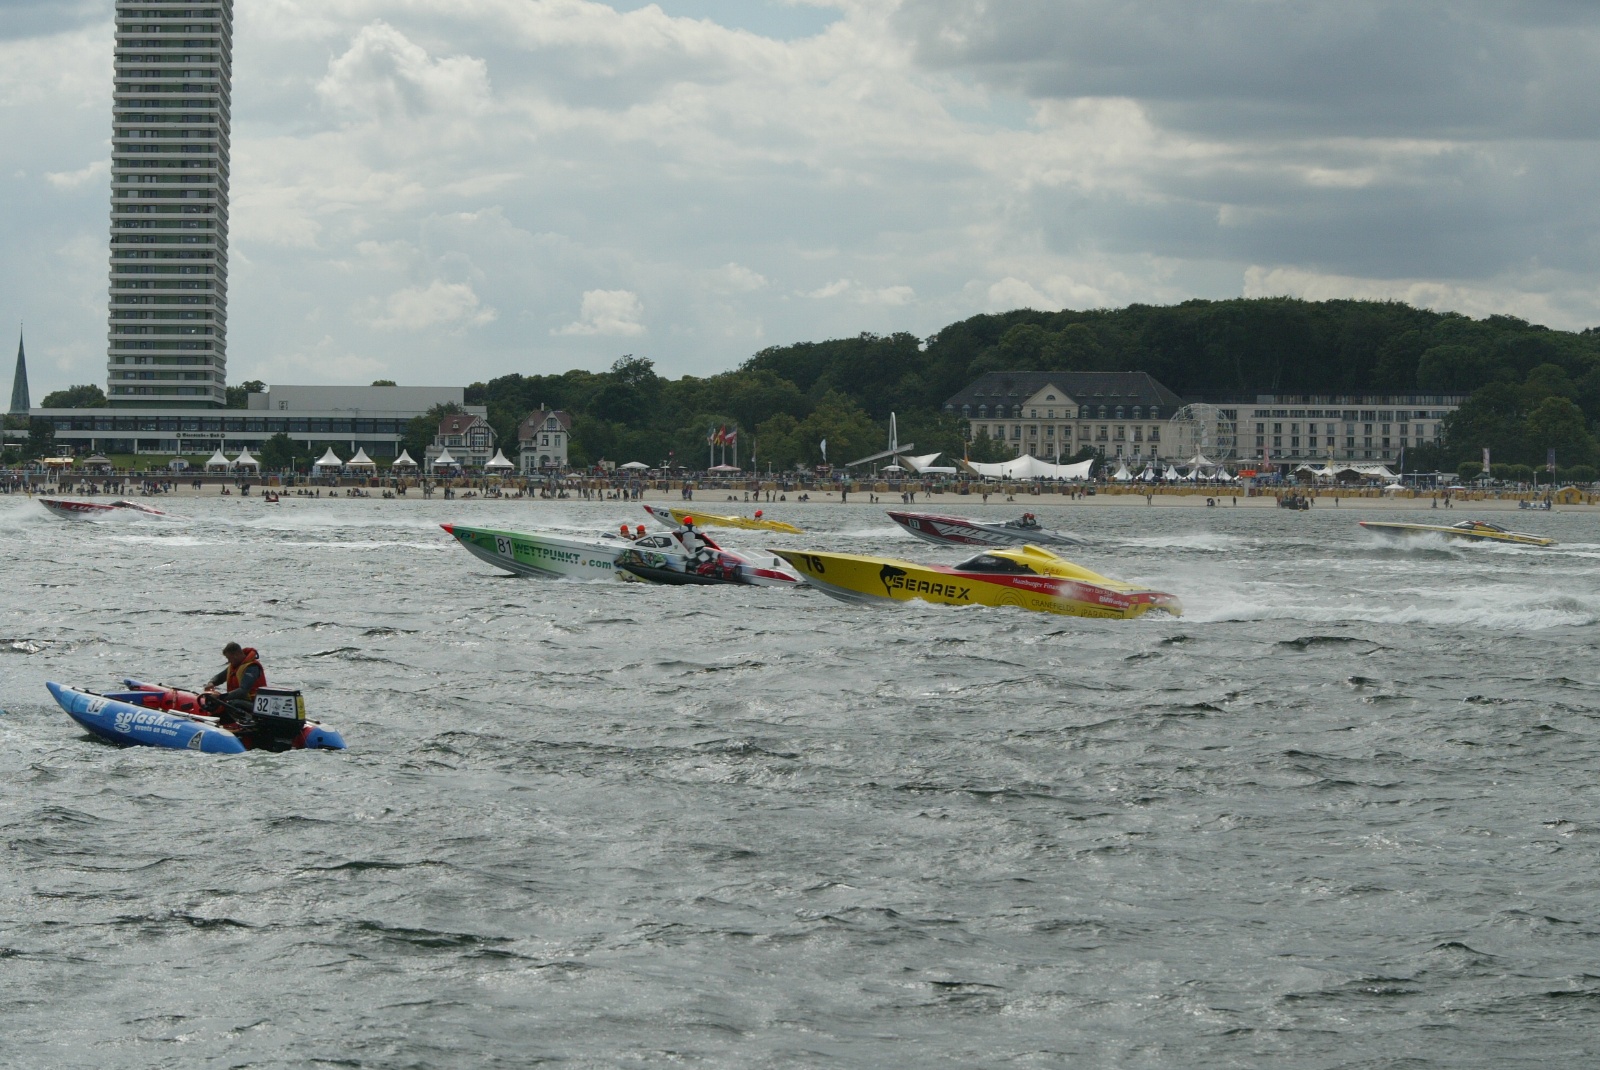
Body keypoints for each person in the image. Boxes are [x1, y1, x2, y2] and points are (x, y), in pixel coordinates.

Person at [203, 642, 266, 718]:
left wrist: (220, 697)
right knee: (215, 702)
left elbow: (243, 691)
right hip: (238, 700)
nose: (228, 661)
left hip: (254, 704)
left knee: (233, 704)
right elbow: (219, 677)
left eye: (229, 658)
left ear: (236, 655)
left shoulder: (252, 668)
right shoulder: (234, 666)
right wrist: (211, 683)